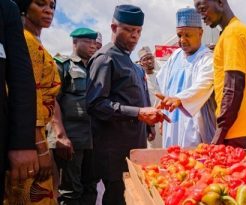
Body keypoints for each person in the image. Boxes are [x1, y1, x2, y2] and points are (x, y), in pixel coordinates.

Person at [86, 5, 167, 205]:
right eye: (129, 30)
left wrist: (148, 124)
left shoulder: (130, 63)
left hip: (134, 147)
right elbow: (96, 104)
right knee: (117, 198)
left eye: (138, 31)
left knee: (133, 195)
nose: (135, 36)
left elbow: (138, 97)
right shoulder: (105, 59)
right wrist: (138, 113)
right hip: (113, 150)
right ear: (114, 28)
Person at [5, 0, 60, 204]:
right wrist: (40, 148)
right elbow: (30, 97)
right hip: (29, 139)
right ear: (24, 7)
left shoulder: (35, 42)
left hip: (35, 135)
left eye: (52, 6)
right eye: (40, 3)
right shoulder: (26, 41)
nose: (48, 10)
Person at [194, 0, 246, 150]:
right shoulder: (239, 30)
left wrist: (220, 131)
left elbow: (233, 87)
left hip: (238, 132)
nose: (202, 16)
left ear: (220, 2)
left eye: (203, 9)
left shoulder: (233, 34)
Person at [51, 28, 98, 205]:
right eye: (87, 41)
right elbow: (52, 100)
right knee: (70, 191)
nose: (92, 45)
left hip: (93, 140)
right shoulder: (63, 64)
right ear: (75, 42)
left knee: (91, 186)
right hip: (72, 138)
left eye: (94, 42)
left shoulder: (97, 67)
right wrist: (60, 135)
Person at [156, 8, 216, 148]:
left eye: (187, 35)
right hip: (172, 120)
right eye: (179, 35)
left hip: (194, 121)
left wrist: (180, 99)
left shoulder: (207, 59)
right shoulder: (175, 56)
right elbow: (163, 87)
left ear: (200, 33)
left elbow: (203, 85)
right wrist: (161, 114)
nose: (182, 40)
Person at [0, 0, 38, 203]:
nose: (48, 11)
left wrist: (23, 141)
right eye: (41, 4)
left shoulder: (5, 9)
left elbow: (21, 80)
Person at [138, 46, 162, 148]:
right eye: (145, 59)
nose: (149, 61)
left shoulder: (161, 75)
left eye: (150, 58)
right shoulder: (140, 78)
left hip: (163, 119)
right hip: (149, 119)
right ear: (141, 63)